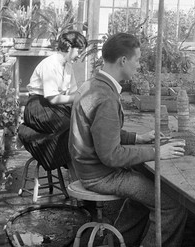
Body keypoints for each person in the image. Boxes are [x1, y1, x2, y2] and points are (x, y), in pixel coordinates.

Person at [69, 32, 187, 247]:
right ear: (123, 60)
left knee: (146, 195)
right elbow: (111, 155)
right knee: (171, 205)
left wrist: (137, 138)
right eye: (137, 59)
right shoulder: (105, 97)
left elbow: (101, 132)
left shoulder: (94, 84)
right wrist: (157, 152)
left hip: (89, 168)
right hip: (100, 175)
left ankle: (114, 243)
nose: (139, 65)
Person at [18, 30, 87, 172]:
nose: (80, 55)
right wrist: (79, 97)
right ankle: (30, 136)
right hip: (38, 106)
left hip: (54, 107)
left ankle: (75, 165)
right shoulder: (50, 64)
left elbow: (73, 93)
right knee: (70, 126)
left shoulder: (68, 67)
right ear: (69, 47)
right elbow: (54, 98)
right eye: (79, 50)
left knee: (80, 123)